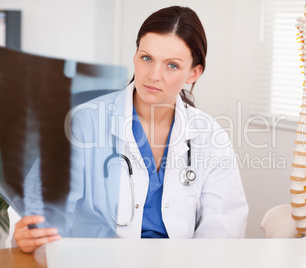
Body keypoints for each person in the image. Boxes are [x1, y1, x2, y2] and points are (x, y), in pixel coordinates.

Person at [14, 6, 248, 253]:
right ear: (135, 56)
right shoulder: (84, 123)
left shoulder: (209, 135)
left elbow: (225, 225)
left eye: (172, 65)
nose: (154, 75)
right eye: (147, 58)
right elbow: (42, 209)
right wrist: (30, 233)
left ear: (193, 73)